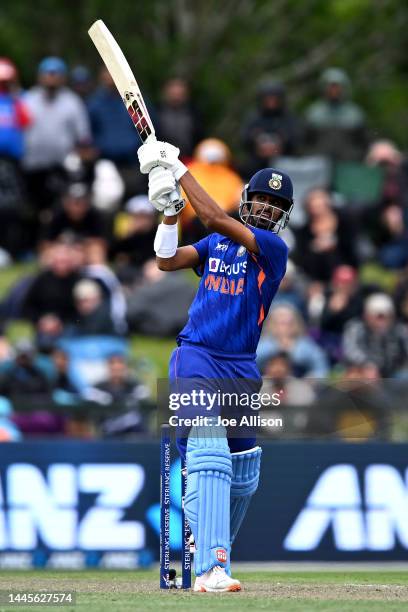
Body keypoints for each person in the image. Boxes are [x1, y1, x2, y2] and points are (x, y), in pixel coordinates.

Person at [137, 140, 293, 591]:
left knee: (243, 472)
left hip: (241, 367)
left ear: (282, 215)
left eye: (275, 205)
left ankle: (207, 549)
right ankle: (209, 567)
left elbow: (212, 215)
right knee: (209, 449)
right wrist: (169, 213)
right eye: (261, 199)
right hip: (197, 354)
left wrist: (179, 168)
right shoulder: (215, 242)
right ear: (247, 198)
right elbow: (167, 260)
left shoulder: (271, 249)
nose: (265, 209)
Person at [23, 57, 90, 219]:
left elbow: (83, 137)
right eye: (48, 73)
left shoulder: (73, 102)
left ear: (63, 77)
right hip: (30, 166)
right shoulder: (27, 99)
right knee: (29, 210)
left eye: (55, 74)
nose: (51, 77)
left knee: (59, 210)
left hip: (61, 168)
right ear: (40, 76)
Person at [304, 67, 368, 161]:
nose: (334, 90)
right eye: (331, 86)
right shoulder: (313, 113)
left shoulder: (355, 113)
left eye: (337, 86)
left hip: (348, 164)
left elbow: (363, 143)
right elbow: (306, 143)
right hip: (320, 164)